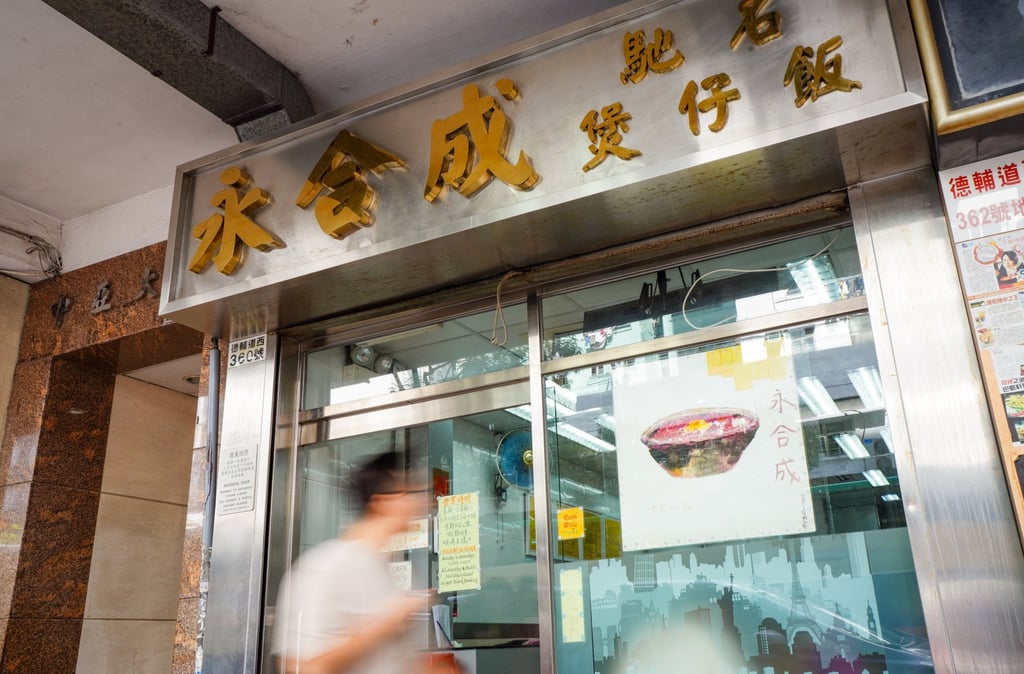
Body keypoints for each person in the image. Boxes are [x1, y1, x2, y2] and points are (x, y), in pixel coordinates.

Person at [272, 451, 428, 674]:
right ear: (381, 502)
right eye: (411, 491)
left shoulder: (385, 571)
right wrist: (384, 625)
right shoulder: (326, 566)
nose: (421, 501)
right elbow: (303, 668)